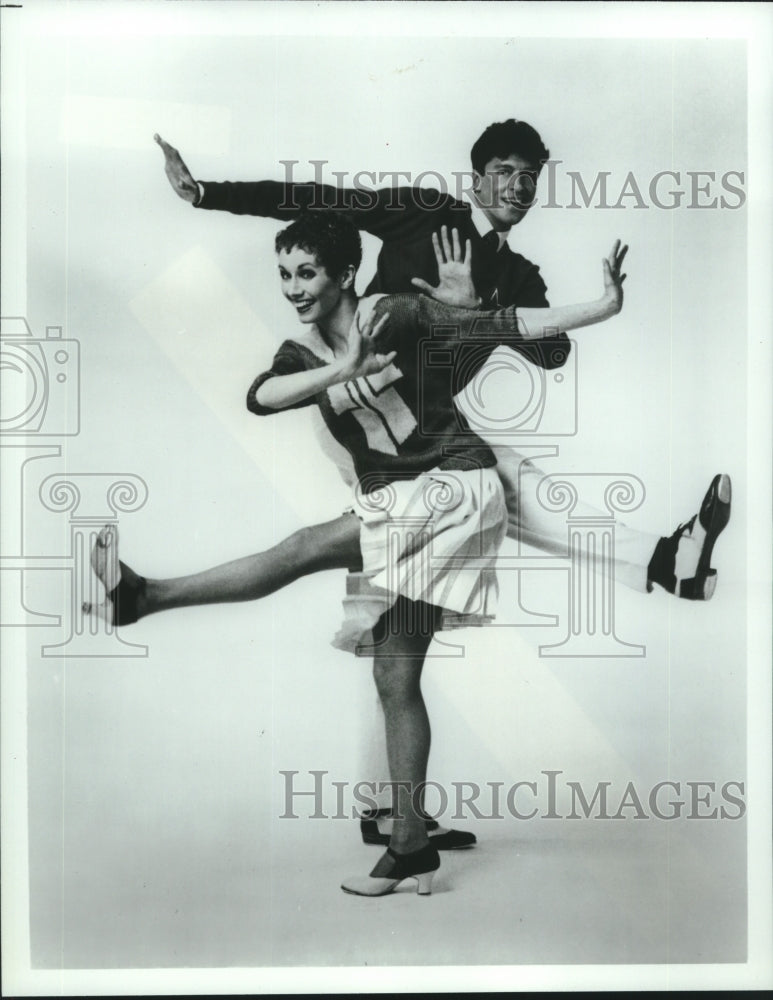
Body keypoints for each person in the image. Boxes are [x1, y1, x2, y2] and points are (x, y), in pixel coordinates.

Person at [88, 209, 648, 895]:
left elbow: (501, 326)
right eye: (285, 275)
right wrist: (342, 369)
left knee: (305, 549)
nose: (294, 288)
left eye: (308, 273)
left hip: (452, 492)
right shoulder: (302, 353)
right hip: (398, 507)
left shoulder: (394, 313)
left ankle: (144, 598)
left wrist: (603, 306)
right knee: (392, 674)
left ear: (346, 273)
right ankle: (409, 842)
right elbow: (260, 398)